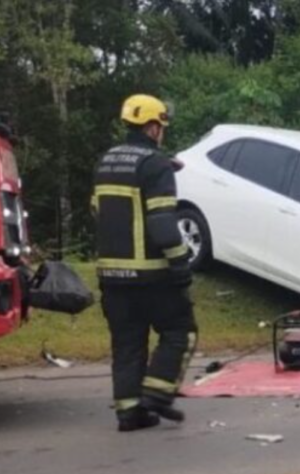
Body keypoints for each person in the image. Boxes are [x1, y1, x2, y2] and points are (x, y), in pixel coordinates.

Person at [92, 94, 197, 432]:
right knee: (181, 331)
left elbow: (97, 210)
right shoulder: (155, 165)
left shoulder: (105, 162)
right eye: (161, 126)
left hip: (111, 275)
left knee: (127, 344)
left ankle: (130, 412)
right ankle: (158, 394)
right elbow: (163, 224)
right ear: (153, 127)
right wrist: (180, 265)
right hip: (151, 274)